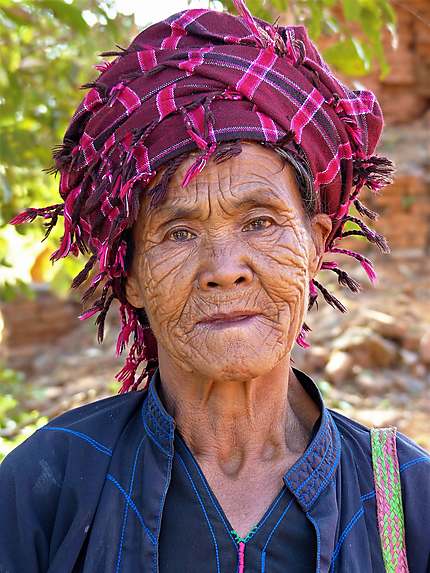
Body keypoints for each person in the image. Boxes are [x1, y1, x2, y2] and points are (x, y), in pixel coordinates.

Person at [1, 1, 429, 571]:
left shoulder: (402, 500)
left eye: (260, 222)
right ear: (130, 276)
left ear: (317, 245)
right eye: (178, 232)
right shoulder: (50, 484)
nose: (224, 267)